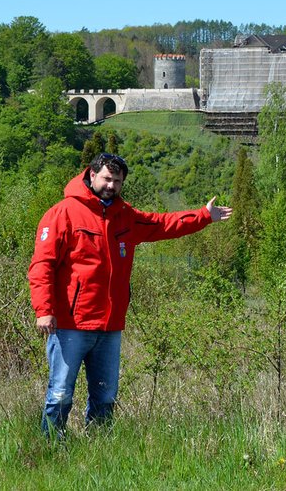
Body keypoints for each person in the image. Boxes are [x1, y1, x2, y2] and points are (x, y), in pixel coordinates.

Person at [28, 152, 231, 436]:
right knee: (60, 393)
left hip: (110, 326)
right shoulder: (63, 213)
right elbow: (42, 265)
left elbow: (162, 225)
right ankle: (50, 447)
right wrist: (44, 309)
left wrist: (203, 216)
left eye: (118, 181)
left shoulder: (125, 216)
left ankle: (98, 447)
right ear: (92, 174)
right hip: (70, 323)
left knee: (105, 396)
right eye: (107, 179)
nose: (111, 185)